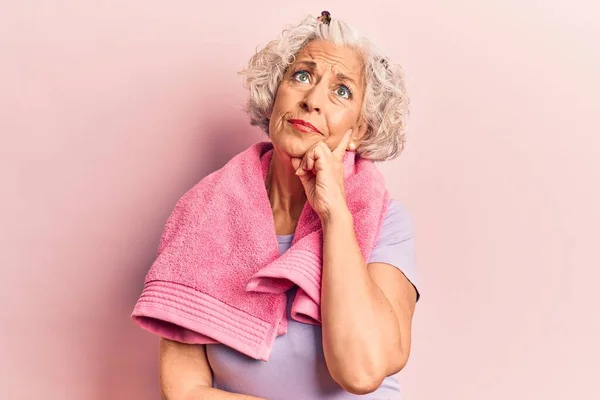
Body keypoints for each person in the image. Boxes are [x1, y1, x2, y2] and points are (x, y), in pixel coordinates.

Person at [134, 11, 420, 400]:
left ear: (361, 131)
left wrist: (335, 214)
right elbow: (183, 391)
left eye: (342, 91)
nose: (312, 100)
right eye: (301, 76)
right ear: (274, 97)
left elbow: (362, 371)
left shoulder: (386, 221)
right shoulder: (201, 214)